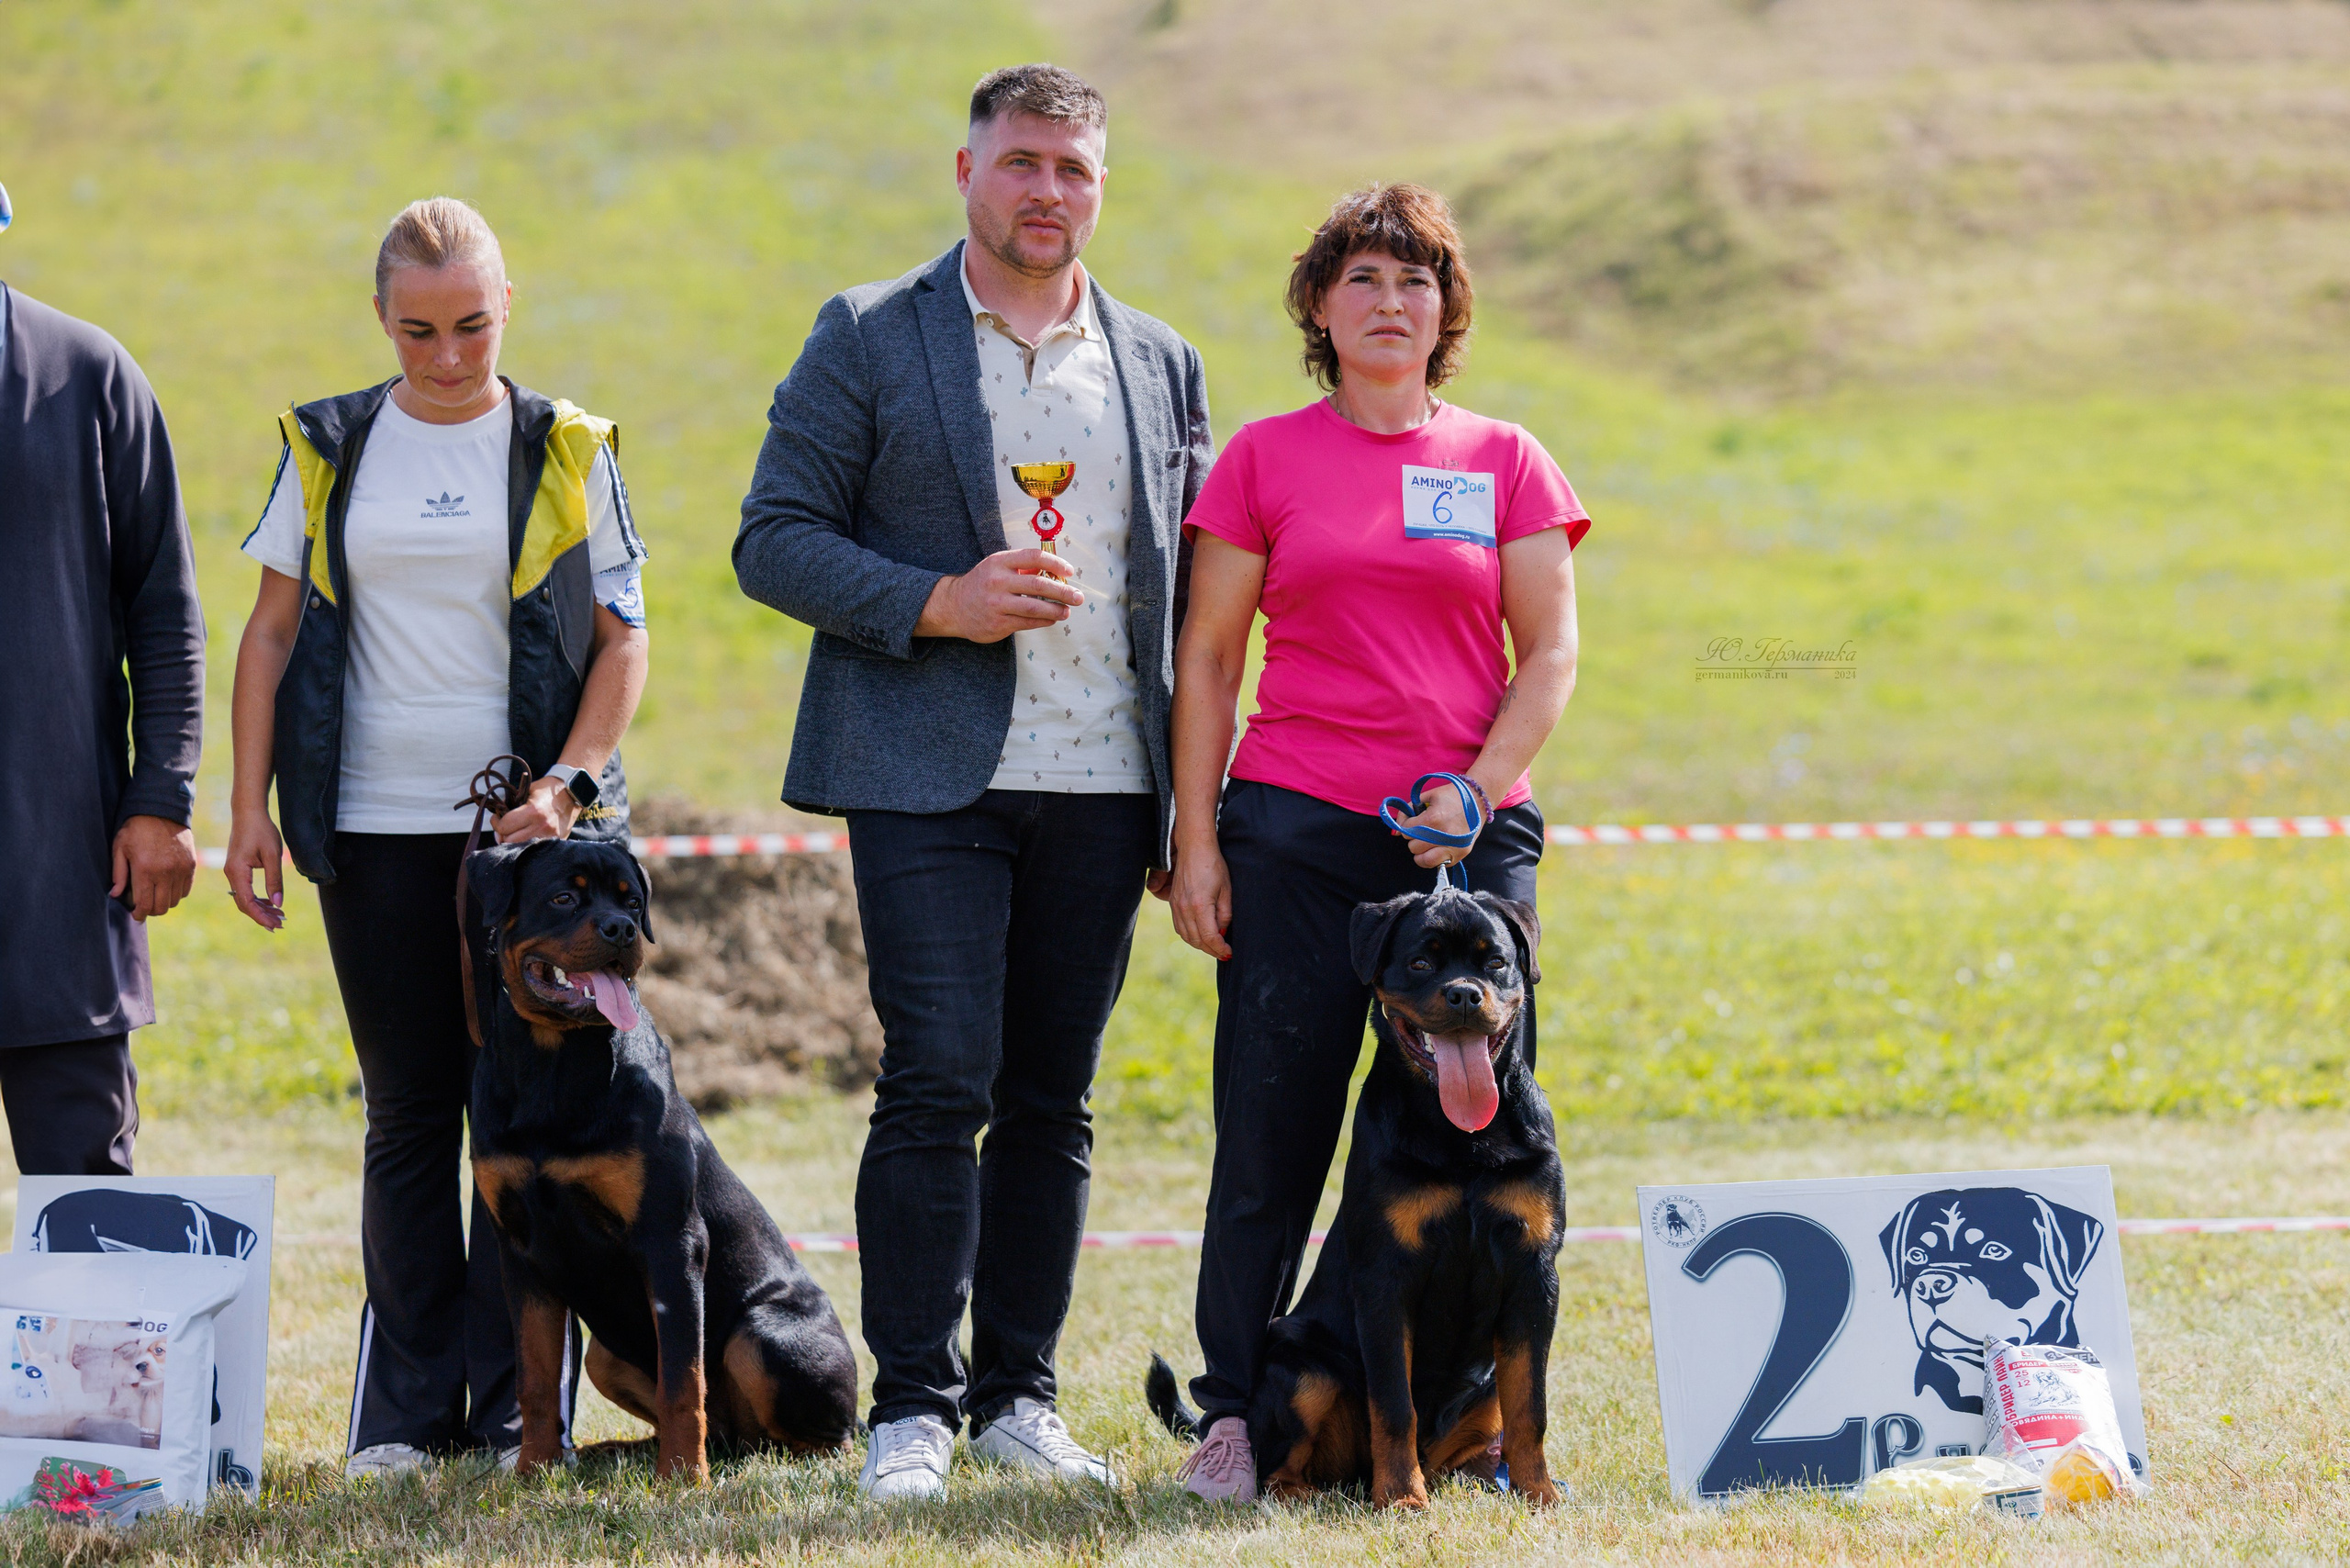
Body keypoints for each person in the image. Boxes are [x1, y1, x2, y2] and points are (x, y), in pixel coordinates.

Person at [733, 63, 1213, 1500]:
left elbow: (1194, 592)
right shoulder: (870, 332)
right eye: (1021, 162)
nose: (1046, 190)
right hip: (924, 777)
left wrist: (1192, 805)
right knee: (938, 1079)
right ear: (967, 172)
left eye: (1073, 168)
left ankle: (1018, 1399)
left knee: (1054, 1099)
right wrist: (941, 602)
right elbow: (773, 539)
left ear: (1101, 186)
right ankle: (912, 1413)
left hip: (1107, 783)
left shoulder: (1161, 361)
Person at [1164, 183, 1588, 1500]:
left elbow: (1551, 651)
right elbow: (1209, 658)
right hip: (1295, 833)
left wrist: (1480, 789)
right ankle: (1237, 1417)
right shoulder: (1262, 460)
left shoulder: (1506, 458)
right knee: (1271, 1138)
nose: (1391, 301)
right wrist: (1196, 842)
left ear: (1449, 309)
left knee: (1484, 1132)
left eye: (1417, 279)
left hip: (1471, 847)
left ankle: (1484, 1429)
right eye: (1362, 277)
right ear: (1318, 304)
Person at [224, 197, 650, 1478]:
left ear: (507, 305)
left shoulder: (567, 445)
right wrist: (245, 810)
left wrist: (566, 786)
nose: (449, 355)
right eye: (418, 331)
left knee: (520, 1121)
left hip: (525, 851)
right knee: (408, 1113)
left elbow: (624, 642)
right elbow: (269, 633)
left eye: (471, 324)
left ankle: (519, 1415)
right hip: (369, 830)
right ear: (380, 318)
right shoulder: (327, 443)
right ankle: (402, 1420)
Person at [0, 179, 205, 1175]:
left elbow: (164, 608)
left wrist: (161, 796)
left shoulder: (88, 375)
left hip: (59, 882)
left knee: (84, 1203)